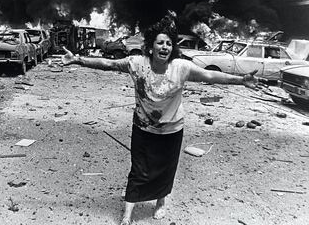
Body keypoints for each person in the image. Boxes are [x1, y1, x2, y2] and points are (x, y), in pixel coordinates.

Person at [61, 15, 259, 225]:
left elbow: (210, 76)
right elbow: (107, 64)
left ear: (172, 48)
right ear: (151, 47)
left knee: (165, 170)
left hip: (172, 130)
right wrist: (78, 59)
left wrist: (241, 80)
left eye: (168, 43)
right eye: (160, 43)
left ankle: (160, 202)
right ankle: (127, 214)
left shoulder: (181, 67)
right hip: (143, 129)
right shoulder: (136, 63)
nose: (164, 47)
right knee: (138, 170)